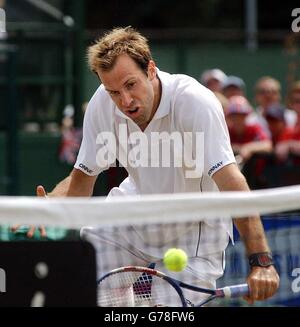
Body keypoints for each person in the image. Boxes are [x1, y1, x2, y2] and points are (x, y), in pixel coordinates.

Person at [25, 27, 278, 304]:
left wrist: (261, 262)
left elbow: (232, 184)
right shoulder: (102, 105)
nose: (125, 101)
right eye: (113, 92)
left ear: (151, 70)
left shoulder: (194, 102)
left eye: (131, 85)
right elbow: (81, 181)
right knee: (84, 289)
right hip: (133, 214)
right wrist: (49, 208)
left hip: (196, 229)